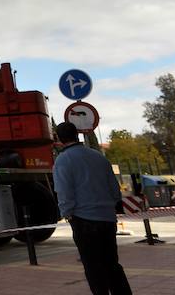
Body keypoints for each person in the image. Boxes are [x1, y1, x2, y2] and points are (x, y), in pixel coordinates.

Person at [53, 121, 132, 295]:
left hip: (83, 220)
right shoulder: (98, 156)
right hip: (107, 218)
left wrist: (68, 214)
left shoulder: (63, 160)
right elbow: (114, 188)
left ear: (58, 139)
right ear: (77, 135)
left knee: (93, 266)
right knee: (112, 264)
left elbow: (64, 192)